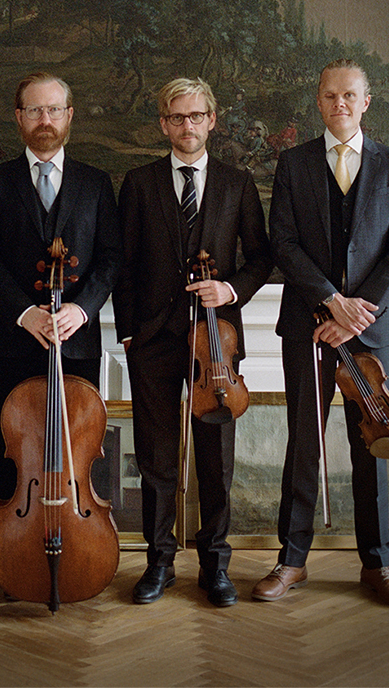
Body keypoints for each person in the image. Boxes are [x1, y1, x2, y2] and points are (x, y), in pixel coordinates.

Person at [253, 59, 389, 607]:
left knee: (376, 441)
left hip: (374, 326)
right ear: (319, 101)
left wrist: (356, 313)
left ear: (366, 102)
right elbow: (283, 242)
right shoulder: (293, 163)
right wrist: (330, 302)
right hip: (309, 326)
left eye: (349, 95)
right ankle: (291, 561)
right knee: (304, 442)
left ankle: (377, 564)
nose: (339, 104)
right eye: (330, 95)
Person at [114, 77, 272, 607]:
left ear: (212, 120)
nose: (188, 125)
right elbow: (123, 264)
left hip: (216, 344)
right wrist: (129, 332)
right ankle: (159, 562)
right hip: (154, 338)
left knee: (215, 459)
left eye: (197, 116)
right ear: (164, 123)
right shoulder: (139, 182)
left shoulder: (237, 183)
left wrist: (230, 289)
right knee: (156, 456)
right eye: (177, 117)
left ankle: (215, 565)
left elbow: (262, 257)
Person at [0, 72, 122, 504]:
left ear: (69, 115)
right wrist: (25, 313)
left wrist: (82, 309)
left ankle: (74, 534)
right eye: (35, 110)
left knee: (76, 450)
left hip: (77, 342)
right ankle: (14, 539)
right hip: (11, 340)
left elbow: (112, 257)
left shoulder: (96, 183)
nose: (45, 119)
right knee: (12, 453)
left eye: (54, 109)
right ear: (19, 117)